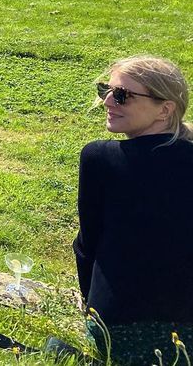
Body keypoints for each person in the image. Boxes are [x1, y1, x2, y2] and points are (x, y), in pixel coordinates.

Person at [74, 56, 193, 365]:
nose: (107, 101)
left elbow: (87, 246)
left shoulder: (100, 158)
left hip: (116, 328)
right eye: (106, 90)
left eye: (122, 95)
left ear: (164, 109)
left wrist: (89, 306)